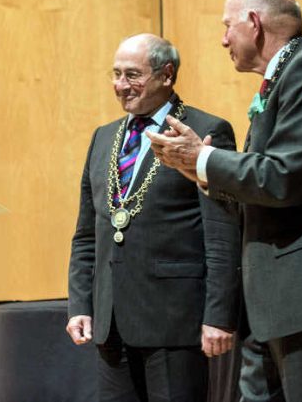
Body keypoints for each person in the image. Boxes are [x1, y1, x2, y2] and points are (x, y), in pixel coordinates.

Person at [147, 0, 302, 401]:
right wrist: (200, 173)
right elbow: (265, 186)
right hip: (272, 303)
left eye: (227, 26)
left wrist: (203, 158)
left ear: (254, 22)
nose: (223, 39)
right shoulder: (283, 77)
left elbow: (285, 177)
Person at [66, 33, 241, 402]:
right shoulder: (103, 137)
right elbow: (86, 234)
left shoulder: (205, 131)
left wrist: (220, 315)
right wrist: (81, 304)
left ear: (167, 74)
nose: (120, 86)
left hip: (176, 322)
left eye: (132, 75)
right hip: (111, 322)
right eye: (115, 74)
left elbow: (222, 233)